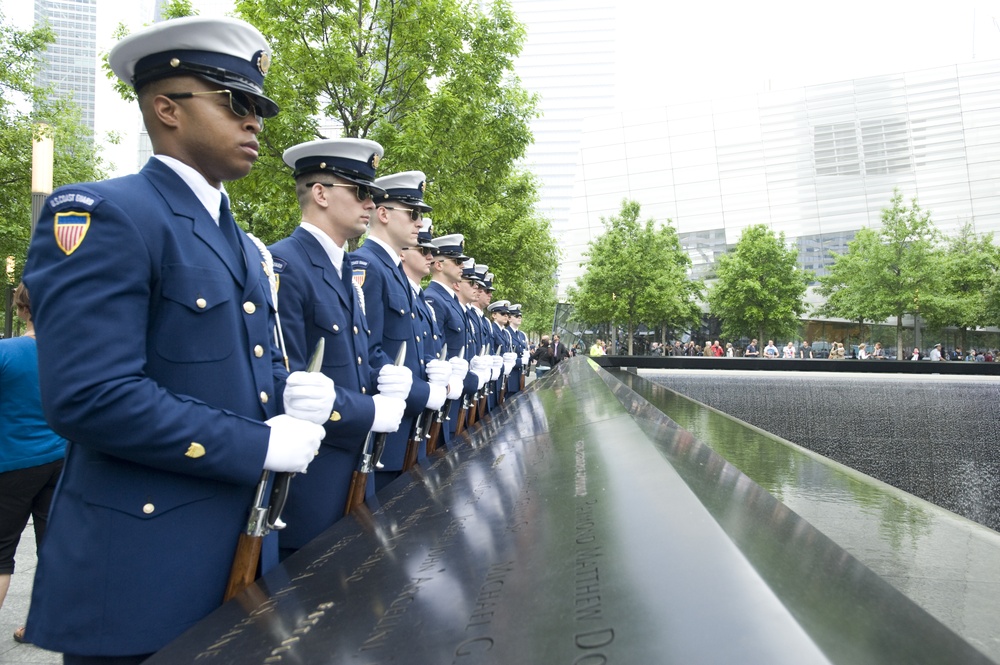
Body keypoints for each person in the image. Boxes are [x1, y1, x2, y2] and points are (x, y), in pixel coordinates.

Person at [22, 17, 333, 663]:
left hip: (239, 554)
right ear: (166, 107)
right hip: (143, 573)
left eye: (259, 107)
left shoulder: (236, 240)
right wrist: (259, 442)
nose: (255, 122)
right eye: (235, 102)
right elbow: (90, 396)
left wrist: (288, 395)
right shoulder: (103, 213)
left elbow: (235, 371)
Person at [268, 138, 412, 559]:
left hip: (353, 465)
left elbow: (359, 358)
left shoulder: (346, 269)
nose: (371, 202)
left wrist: (384, 381)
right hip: (313, 475)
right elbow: (288, 384)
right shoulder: (286, 264)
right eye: (360, 191)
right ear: (321, 193)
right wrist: (368, 410)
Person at [350, 171, 451, 492]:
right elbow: (367, 351)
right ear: (383, 214)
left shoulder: (394, 273)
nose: (419, 224)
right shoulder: (367, 265)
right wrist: (423, 392)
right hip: (385, 428)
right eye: (413, 214)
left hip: (407, 423)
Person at [0, 284, 66, 645]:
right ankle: (39, 624)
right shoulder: (71, 355)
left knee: (1, 552)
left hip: (10, 462)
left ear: (23, 310)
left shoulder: (5, 352)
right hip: (60, 460)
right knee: (52, 546)